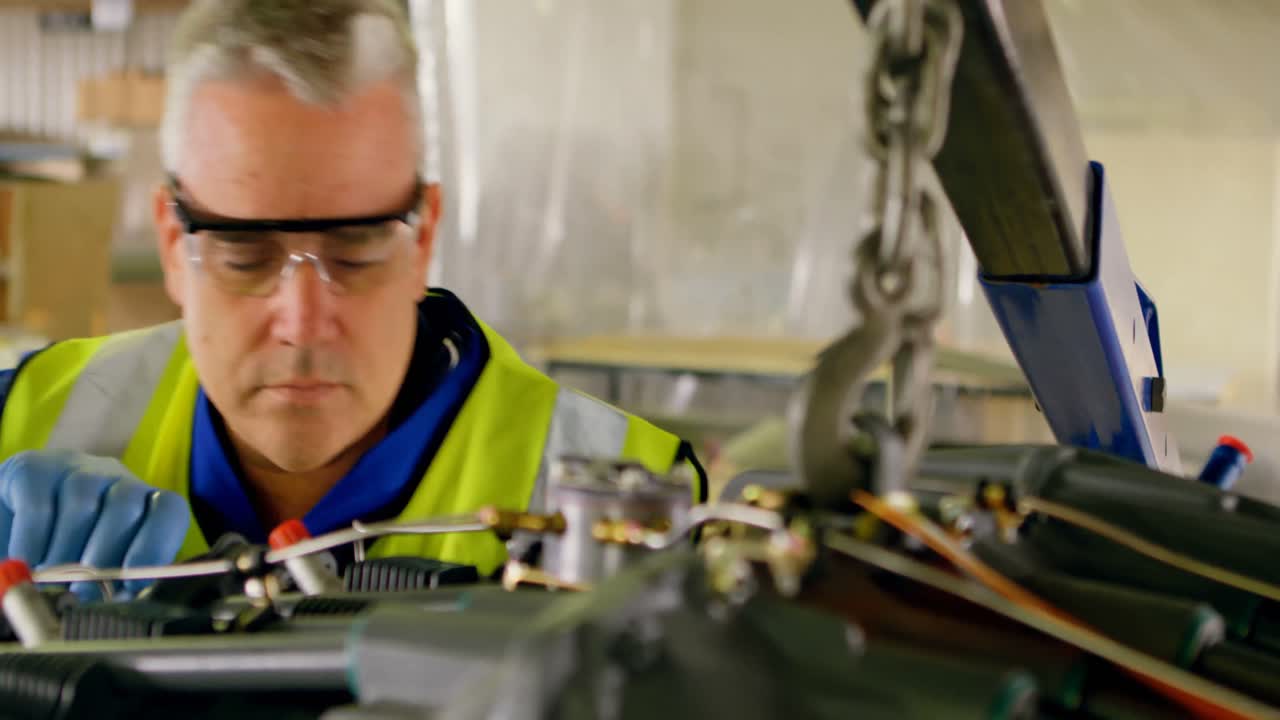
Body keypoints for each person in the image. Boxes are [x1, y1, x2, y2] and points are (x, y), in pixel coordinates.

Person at [0, 0, 702, 596]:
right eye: (244, 254)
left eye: (356, 250)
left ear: (423, 238)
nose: (303, 322)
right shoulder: (25, 421)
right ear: (169, 246)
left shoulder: (636, 505)